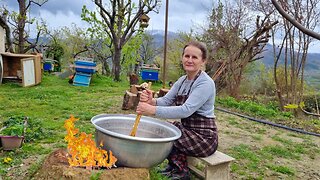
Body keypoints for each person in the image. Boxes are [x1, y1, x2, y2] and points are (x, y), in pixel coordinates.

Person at [136, 41, 218, 180]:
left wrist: (151, 110)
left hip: (204, 138)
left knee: (169, 134)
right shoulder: (182, 80)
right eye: (187, 56)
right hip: (188, 132)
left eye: (194, 57)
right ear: (182, 57)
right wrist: (152, 101)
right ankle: (174, 166)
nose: (189, 60)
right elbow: (166, 101)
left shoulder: (205, 83)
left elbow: (185, 111)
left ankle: (181, 173)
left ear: (203, 61)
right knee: (167, 128)